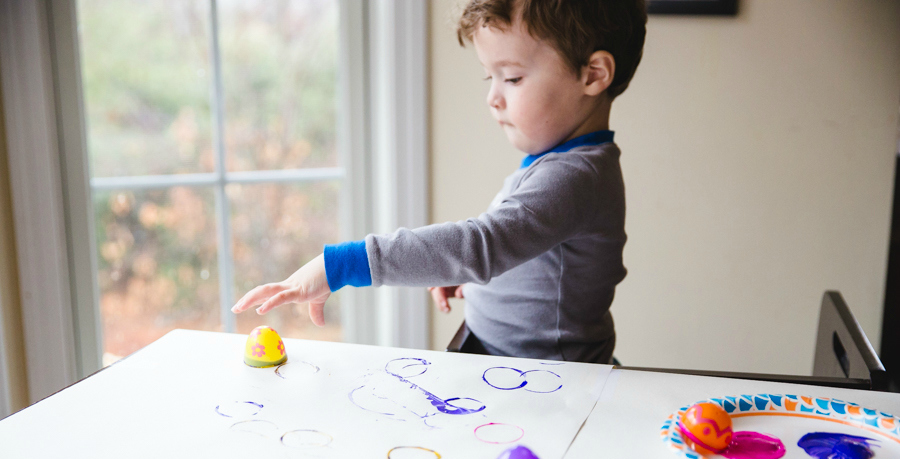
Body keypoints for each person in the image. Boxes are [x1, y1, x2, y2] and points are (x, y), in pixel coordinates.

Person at [232, 0, 647, 364]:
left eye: (513, 78)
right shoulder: (564, 164)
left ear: (593, 74)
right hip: (511, 357)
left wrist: (342, 265)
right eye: (490, 78)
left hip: (554, 379)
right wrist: (479, 279)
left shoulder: (574, 177)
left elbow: (483, 244)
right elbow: (523, 251)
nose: (493, 97)